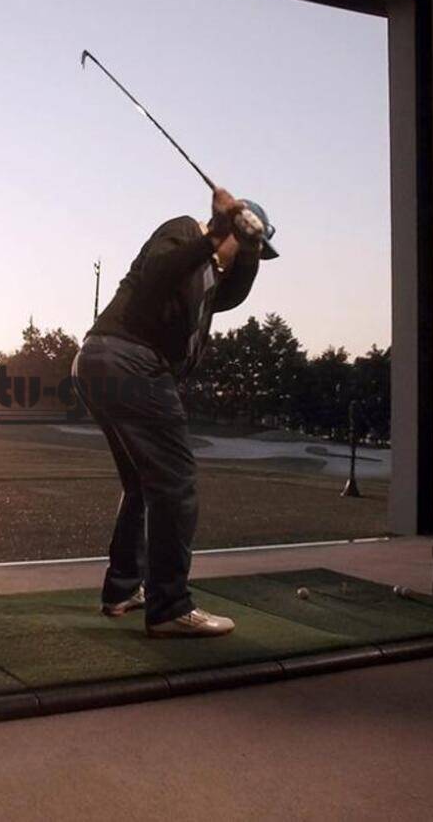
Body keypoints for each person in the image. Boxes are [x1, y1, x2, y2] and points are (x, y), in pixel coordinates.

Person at [71, 188, 276, 637]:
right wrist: (218, 230)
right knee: (176, 483)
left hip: (106, 363)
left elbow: (236, 293)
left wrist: (252, 249)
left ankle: (124, 589)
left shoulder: (210, 282)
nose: (243, 260)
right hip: (127, 360)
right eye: (243, 249)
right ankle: (170, 607)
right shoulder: (183, 233)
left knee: (142, 484)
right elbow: (155, 278)